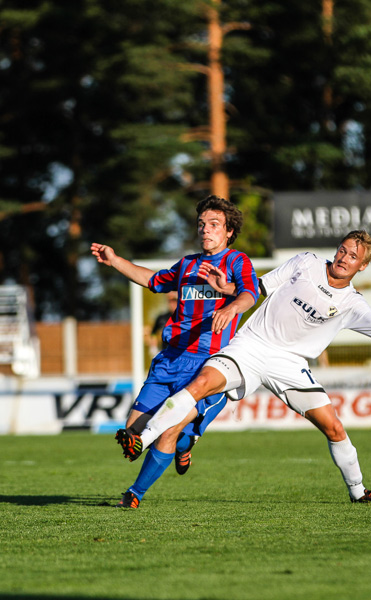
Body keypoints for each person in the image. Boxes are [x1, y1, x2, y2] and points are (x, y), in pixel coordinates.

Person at [115, 230, 371, 504]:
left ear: (362, 266)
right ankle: (142, 440)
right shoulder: (307, 262)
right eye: (342, 251)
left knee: (334, 428)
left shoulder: (352, 303)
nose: (344, 259)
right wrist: (230, 291)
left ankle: (358, 493)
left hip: (289, 364)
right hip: (251, 345)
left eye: (352, 257)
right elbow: (258, 288)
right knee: (201, 383)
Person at [91, 195, 259, 509]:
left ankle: (134, 495)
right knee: (132, 435)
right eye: (201, 224)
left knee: (166, 427)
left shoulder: (238, 262)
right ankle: (185, 445)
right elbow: (151, 280)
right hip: (169, 359)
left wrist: (231, 304)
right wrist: (114, 260)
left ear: (229, 232)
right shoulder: (187, 264)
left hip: (208, 366)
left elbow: (251, 293)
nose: (205, 230)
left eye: (214, 225)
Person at [147, 291, 178, 356]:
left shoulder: (184, 318)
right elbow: (153, 333)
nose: (172, 304)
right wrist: (154, 348)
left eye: (174, 301)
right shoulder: (162, 318)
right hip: (166, 352)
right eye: (170, 301)